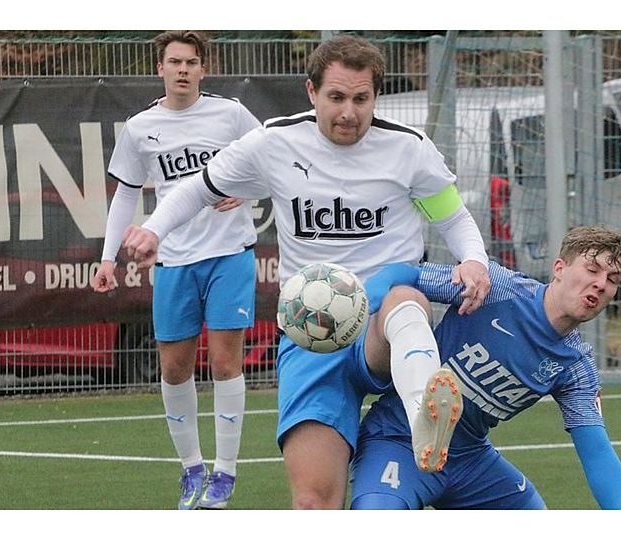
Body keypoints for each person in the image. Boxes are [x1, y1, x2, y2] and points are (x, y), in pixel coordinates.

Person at [121, 34, 491, 509]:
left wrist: (474, 260)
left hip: (388, 329)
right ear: (312, 91)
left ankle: (427, 412)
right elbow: (199, 188)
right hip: (312, 335)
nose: (348, 112)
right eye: (336, 97)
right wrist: (152, 231)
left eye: (361, 99)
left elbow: (453, 217)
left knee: (406, 296)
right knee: (314, 504)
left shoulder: (408, 148)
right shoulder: (274, 142)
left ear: (376, 96)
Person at [349, 226, 621, 509]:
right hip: (396, 439)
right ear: (559, 268)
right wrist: (364, 300)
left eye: (612, 279)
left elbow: (596, 452)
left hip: (470, 461)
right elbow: (407, 276)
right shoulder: (498, 287)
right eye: (592, 270)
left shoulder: (576, 366)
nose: (600, 283)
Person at [91, 31, 261, 510]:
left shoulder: (230, 114)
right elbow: (126, 193)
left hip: (230, 253)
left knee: (226, 363)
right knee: (174, 367)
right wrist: (108, 259)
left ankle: (225, 474)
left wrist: (249, 191)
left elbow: (277, 163)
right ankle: (191, 471)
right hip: (173, 260)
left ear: (203, 69)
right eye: (174, 62)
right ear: (160, 69)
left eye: (191, 62)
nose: (183, 70)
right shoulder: (141, 127)